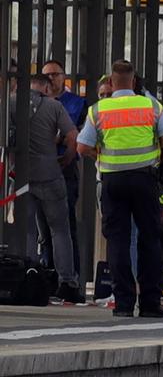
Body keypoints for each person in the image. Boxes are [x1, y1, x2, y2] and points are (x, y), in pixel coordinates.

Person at [77, 59, 163, 318]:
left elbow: (82, 147)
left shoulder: (98, 110)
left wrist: (101, 154)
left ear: (111, 83)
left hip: (112, 180)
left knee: (118, 242)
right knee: (149, 239)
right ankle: (149, 303)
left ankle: (123, 304)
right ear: (134, 81)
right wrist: (155, 147)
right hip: (144, 179)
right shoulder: (151, 105)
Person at [18, 74, 82, 303]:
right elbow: (74, 136)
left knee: (28, 230)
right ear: (46, 87)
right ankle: (67, 281)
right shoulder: (54, 106)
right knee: (60, 231)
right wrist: (67, 159)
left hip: (21, 178)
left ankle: (27, 275)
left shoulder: (13, 102)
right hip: (50, 175)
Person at [41, 59, 87, 278]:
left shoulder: (77, 103)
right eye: (47, 75)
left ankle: (70, 276)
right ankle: (47, 273)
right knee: (42, 227)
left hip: (64, 167)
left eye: (55, 74)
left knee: (65, 223)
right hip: (40, 168)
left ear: (63, 76)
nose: (51, 78)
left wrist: (60, 139)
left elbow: (78, 134)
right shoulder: (35, 102)